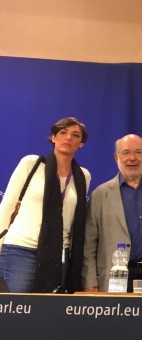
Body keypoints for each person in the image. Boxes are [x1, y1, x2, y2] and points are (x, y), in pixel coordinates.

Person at [0, 117, 91, 293]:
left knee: (48, 313)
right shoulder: (31, 164)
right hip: (21, 249)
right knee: (18, 309)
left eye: (75, 135)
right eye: (63, 133)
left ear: (81, 143)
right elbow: (7, 206)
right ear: (53, 137)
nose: (68, 138)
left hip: (59, 254)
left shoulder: (83, 176)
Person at [82, 134, 142, 292]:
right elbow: (89, 242)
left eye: (138, 152)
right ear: (116, 157)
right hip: (114, 277)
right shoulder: (100, 194)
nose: (132, 158)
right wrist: (90, 280)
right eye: (126, 153)